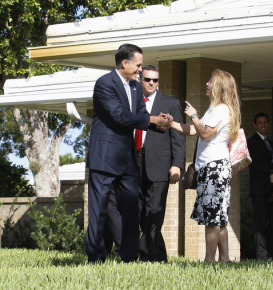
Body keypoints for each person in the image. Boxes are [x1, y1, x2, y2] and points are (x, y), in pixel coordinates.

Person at [85, 44, 170, 263]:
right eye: (138, 65)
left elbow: (141, 114)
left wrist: (159, 124)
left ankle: (130, 256)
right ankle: (95, 256)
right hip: (104, 157)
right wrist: (151, 120)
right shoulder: (104, 83)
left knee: (131, 209)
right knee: (99, 209)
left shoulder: (134, 87)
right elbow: (119, 116)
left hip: (128, 159)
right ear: (125, 63)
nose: (141, 71)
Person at [168, 69, 241, 262]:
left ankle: (209, 260)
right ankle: (224, 259)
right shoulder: (214, 109)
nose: (206, 84)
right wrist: (172, 124)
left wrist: (194, 115)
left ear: (219, 86)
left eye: (210, 81)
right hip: (212, 167)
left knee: (212, 217)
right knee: (218, 217)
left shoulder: (221, 109)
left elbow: (205, 134)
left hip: (215, 168)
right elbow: (194, 130)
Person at [136, 65, 185, 262]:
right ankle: (159, 257)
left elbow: (179, 137)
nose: (151, 83)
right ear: (140, 79)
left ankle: (147, 257)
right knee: (142, 215)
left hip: (160, 164)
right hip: (135, 163)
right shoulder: (133, 102)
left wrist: (177, 165)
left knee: (154, 213)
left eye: (155, 80)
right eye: (147, 79)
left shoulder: (171, 103)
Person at [247, 113, 273, 261]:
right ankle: (262, 255)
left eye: (265, 122)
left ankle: (272, 253)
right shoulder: (252, 142)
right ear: (255, 125)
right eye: (260, 123)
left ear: (268, 124)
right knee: (260, 224)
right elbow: (257, 163)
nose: (263, 125)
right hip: (259, 189)